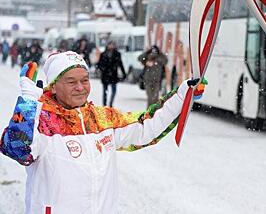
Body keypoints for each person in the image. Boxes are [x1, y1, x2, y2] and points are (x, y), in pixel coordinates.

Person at [0, 51, 206, 213]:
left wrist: (182, 96)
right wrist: (28, 103)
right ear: (53, 86)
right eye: (71, 81)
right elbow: (17, 150)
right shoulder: (42, 120)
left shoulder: (102, 119)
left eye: (85, 80)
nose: (80, 87)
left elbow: (146, 127)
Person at [97, 41, 126, 107]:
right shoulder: (103, 54)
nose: (111, 46)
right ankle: (104, 105)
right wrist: (102, 69)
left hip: (113, 75)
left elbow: (120, 64)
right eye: (110, 45)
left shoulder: (117, 54)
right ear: (107, 45)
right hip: (105, 75)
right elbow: (99, 64)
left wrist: (124, 73)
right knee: (105, 92)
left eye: (113, 45)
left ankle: (110, 104)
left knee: (114, 91)